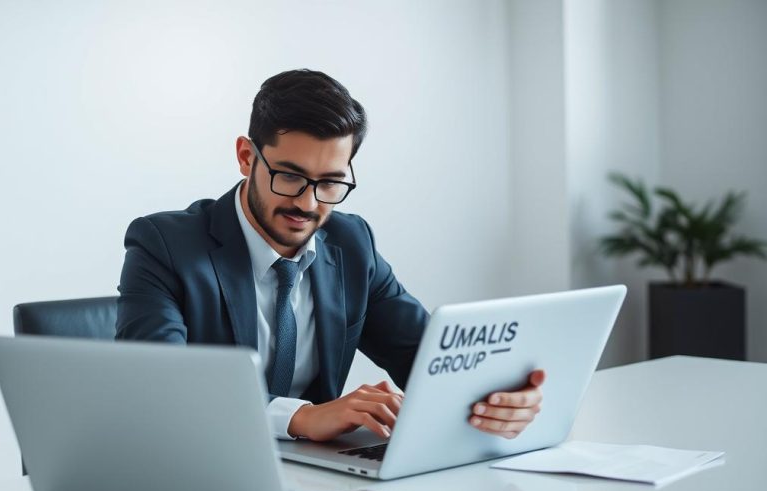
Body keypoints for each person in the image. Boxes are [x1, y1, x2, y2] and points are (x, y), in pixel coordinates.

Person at [116, 69, 543, 442]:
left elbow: (430, 361)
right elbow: (158, 385)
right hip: (205, 469)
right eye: (290, 176)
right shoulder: (165, 245)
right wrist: (300, 417)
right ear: (247, 157)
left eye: (330, 183)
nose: (307, 203)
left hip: (321, 473)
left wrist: (499, 398)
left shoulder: (352, 244)